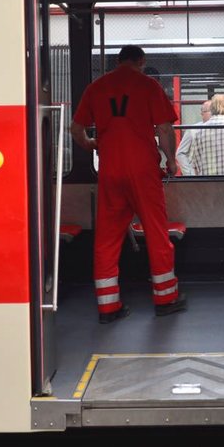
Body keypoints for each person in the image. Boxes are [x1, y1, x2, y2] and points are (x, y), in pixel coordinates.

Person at [71, 45, 188, 324]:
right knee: (157, 233)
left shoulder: (96, 87)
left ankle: (108, 307)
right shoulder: (148, 86)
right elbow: (164, 128)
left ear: (118, 61)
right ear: (141, 61)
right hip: (143, 171)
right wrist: (171, 161)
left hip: (110, 170)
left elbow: (76, 129)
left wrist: (90, 144)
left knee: (107, 238)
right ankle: (165, 298)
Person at [175, 99, 212, 176]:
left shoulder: (222, 128)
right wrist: (190, 174)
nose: (214, 114)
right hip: (199, 177)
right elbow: (180, 153)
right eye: (211, 110)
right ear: (202, 114)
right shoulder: (193, 130)